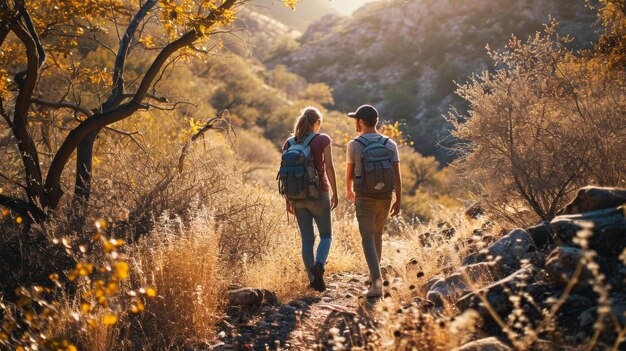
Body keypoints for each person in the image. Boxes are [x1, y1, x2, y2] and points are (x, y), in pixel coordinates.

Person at [345, 104, 402, 298]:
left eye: (356, 120)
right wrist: (398, 199)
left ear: (361, 121)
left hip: (365, 196)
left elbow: (350, 173)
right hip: (386, 196)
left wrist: (349, 190)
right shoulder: (390, 143)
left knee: (367, 238)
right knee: (377, 236)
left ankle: (377, 284)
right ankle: (373, 276)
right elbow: (397, 174)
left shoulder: (354, 145)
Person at [283, 107, 338, 292]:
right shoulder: (322, 139)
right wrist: (335, 193)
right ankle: (319, 266)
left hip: (297, 197)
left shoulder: (289, 143)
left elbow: (286, 175)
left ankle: (313, 280)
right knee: (326, 236)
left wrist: (288, 200)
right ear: (316, 123)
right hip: (319, 194)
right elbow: (329, 168)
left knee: (307, 241)